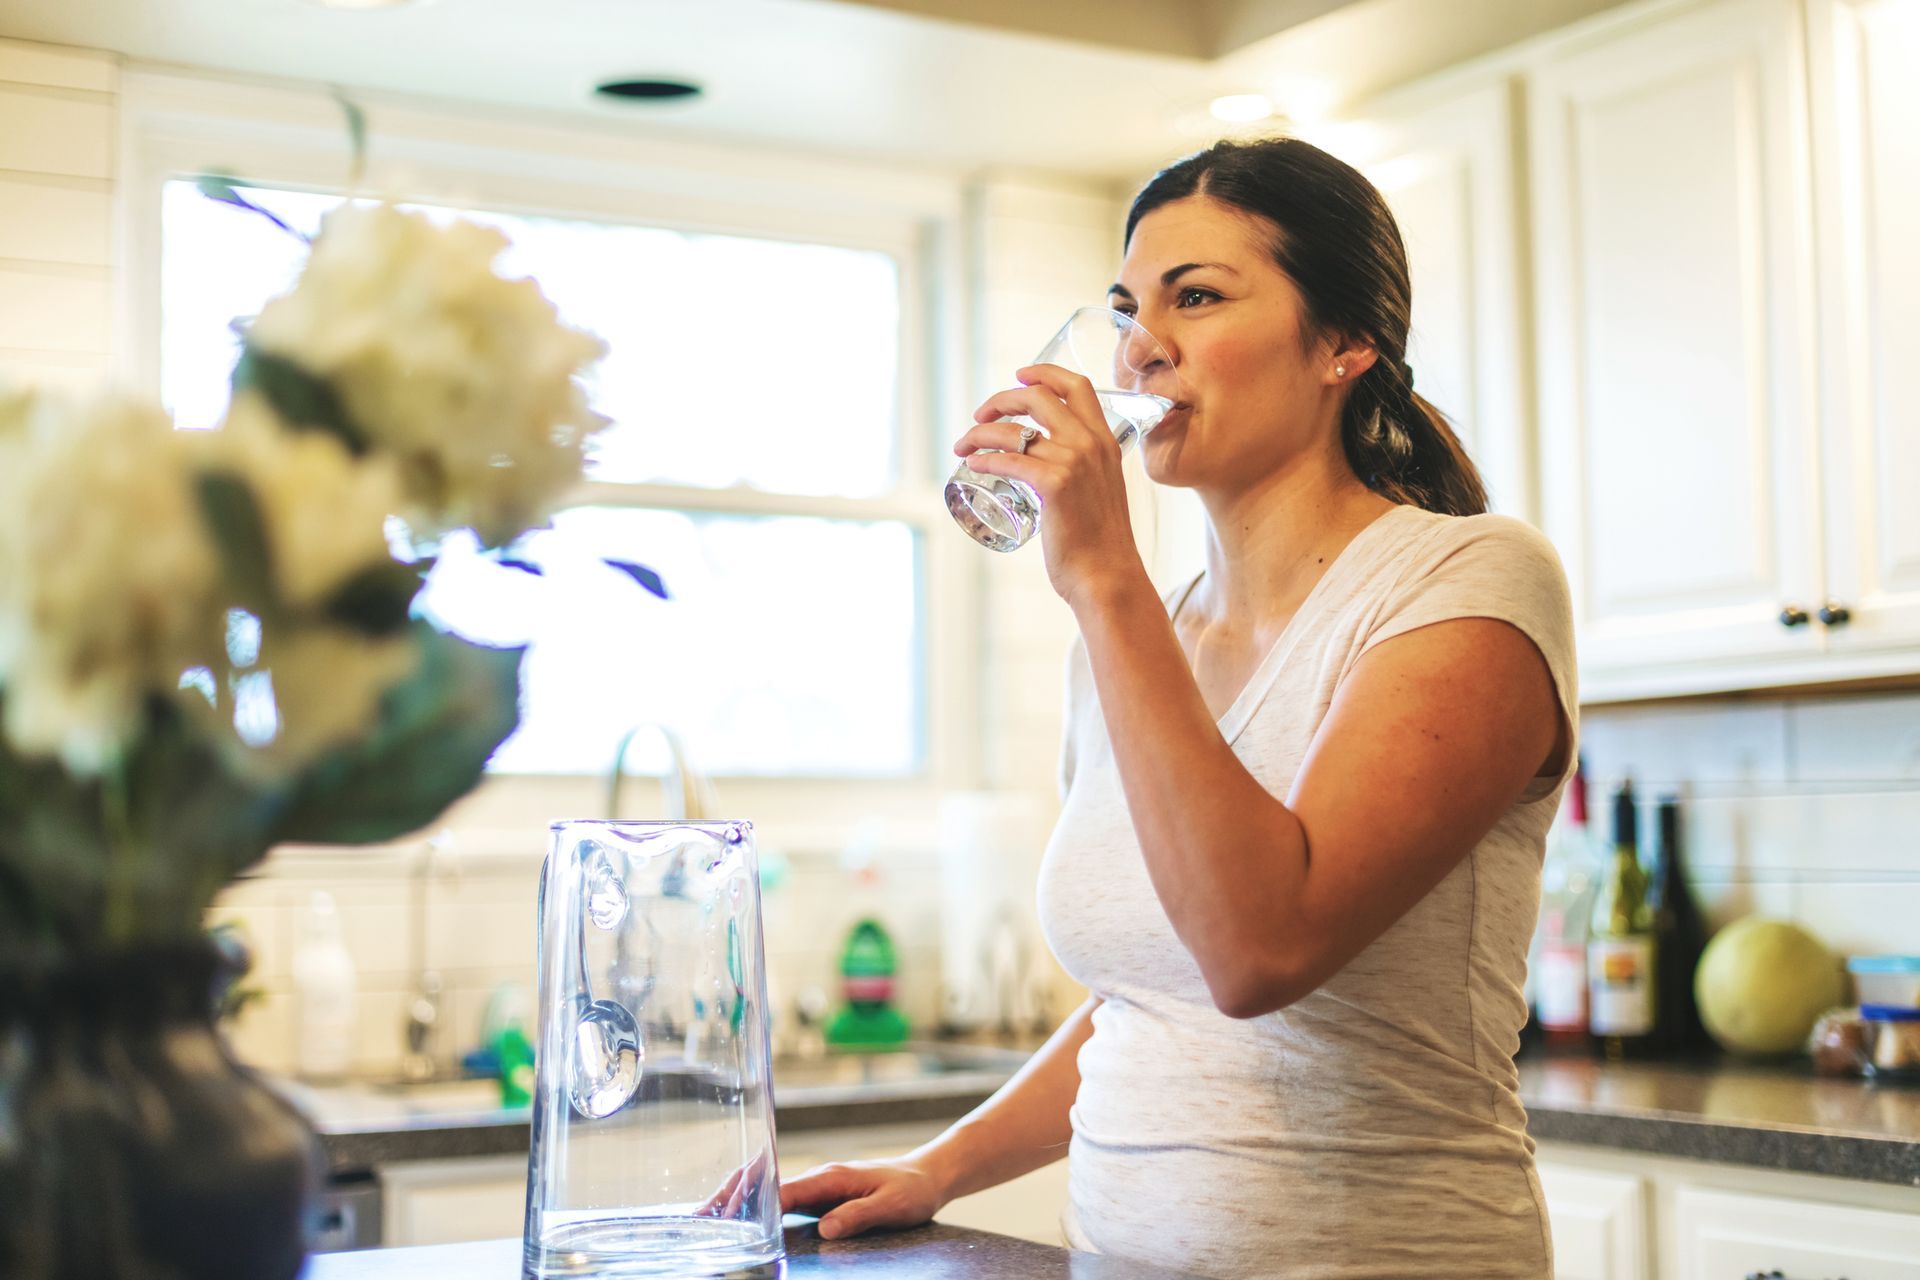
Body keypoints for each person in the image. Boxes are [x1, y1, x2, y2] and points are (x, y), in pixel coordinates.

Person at [780, 136, 1575, 1279]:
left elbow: (1260, 949)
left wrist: (1104, 581)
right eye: (1125, 307)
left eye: (1195, 297)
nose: (1139, 344)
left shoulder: (1470, 580)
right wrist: (941, 1166)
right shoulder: (1139, 639)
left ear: (1344, 344)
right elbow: (1147, 1002)